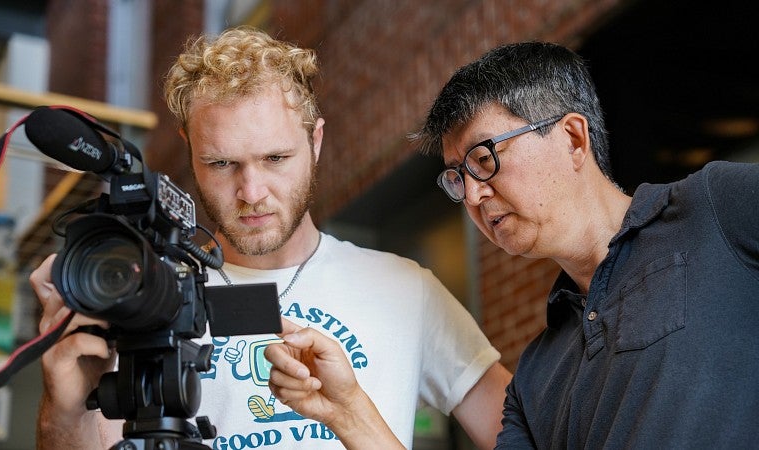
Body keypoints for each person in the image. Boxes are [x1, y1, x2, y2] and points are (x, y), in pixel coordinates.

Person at [32, 26, 512, 449]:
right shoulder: (143, 294)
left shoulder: (407, 289)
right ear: (190, 150)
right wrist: (64, 404)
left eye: (276, 159)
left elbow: (521, 437)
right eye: (222, 163)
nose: (251, 192)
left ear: (315, 142)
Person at [265, 41, 759, 448]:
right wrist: (348, 412)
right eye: (458, 178)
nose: (474, 194)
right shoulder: (536, 376)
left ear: (572, 139)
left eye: (485, 158)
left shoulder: (713, 209)